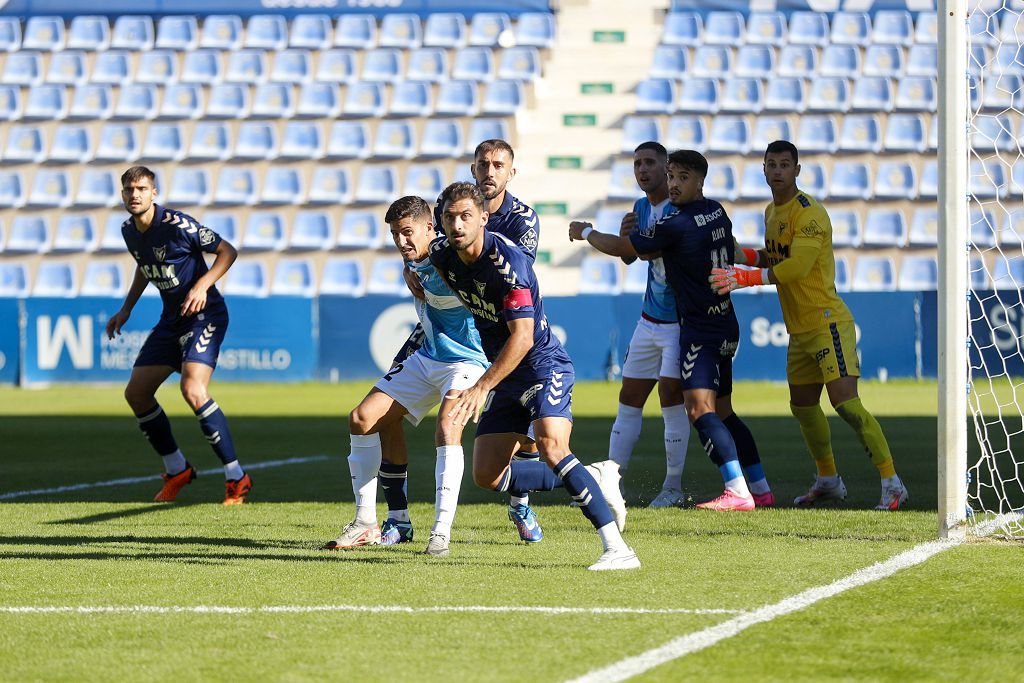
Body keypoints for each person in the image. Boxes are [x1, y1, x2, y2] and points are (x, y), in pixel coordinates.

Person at [431, 182, 638, 570]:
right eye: (449, 217)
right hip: (505, 372)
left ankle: (617, 548)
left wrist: (481, 385)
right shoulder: (442, 253)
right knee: (487, 475)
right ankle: (593, 475)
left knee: (551, 446)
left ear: (484, 218)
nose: (456, 224)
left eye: (465, 216)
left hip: (541, 364)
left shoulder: (508, 265)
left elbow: (523, 338)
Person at [569, 150, 774, 511]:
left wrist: (585, 231)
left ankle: (711, 489)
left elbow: (627, 249)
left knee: (691, 407)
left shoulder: (677, 221)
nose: (672, 182)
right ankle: (758, 488)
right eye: (672, 176)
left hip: (691, 326)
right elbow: (724, 249)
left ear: (691, 178)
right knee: (710, 409)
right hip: (692, 320)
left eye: (678, 176)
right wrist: (764, 259)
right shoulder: (706, 210)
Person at [709, 140, 909, 510]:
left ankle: (891, 481)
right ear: (764, 169)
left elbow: (796, 268)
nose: (779, 170)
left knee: (846, 404)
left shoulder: (810, 214)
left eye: (786, 164)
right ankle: (829, 480)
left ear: (797, 170)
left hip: (827, 322)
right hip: (799, 329)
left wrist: (744, 277)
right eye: (772, 164)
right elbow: (774, 255)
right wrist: (741, 254)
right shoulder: (772, 211)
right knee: (802, 406)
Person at [391, 139, 546, 541]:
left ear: (511, 172)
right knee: (377, 409)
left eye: (498, 165)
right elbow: (424, 243)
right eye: (483, 164)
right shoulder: (454, 208)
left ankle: (521, 501)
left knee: (525, 432)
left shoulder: (523, 220)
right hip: (449, 322)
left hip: (501, 325)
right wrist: (413, 267)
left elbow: (512, 282)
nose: (490, 171)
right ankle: (394, 519)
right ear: (473, 170)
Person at [322, 196, 489, 557]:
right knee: (363, 419)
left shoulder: (454, 254)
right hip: (428, 355)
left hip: (468, 362)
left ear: (432, 228)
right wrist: (409, 268)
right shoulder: (414, 260)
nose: (401, 242)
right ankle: (367, 522)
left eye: (408, 233)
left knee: (447, 426)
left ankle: (440, 532)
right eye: (396, 234)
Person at [105, 165, 251, 504]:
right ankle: (177, 469)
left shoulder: (178, 226)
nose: (135, 194)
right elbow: (145, 266)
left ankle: (237, 477)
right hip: (171, 320)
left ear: (154, 192)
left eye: (141, 188)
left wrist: (202, 285)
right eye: (129, 189)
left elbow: (227, 250)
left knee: (192, 389)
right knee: (137, 394)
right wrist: (126, 308)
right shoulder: (129, 231)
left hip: (205, 316)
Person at [572, 141, 690, 507]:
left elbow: (641, 250)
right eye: (638, 163)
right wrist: (628, 240)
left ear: (666, 167)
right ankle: (612, 482)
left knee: (671, 399)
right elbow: (634, 257)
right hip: (649, 319)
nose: (642, 169)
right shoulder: (641, 207)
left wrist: (590, 233)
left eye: (650, 163)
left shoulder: (677, 209)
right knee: (629, 398)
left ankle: (672, 487)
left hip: (680, 321)